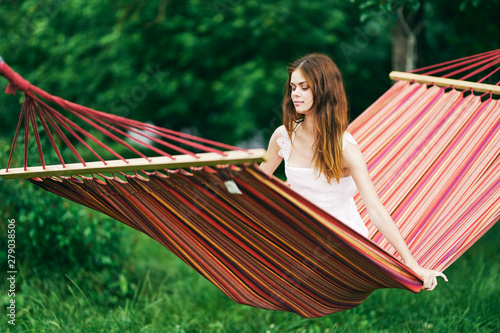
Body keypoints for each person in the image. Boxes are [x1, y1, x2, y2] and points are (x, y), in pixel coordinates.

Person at [259, 53, 447, 291]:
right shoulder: (282, 136)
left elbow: (375, 209)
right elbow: (255, 186)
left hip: (341, 243)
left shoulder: (344, 148)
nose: (295, 94)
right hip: (299, 232)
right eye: (293, 87)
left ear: (324, 89)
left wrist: (411, 263)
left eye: (304, 88)